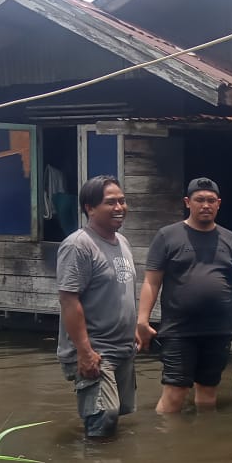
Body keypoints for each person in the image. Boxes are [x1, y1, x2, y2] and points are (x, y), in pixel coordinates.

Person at [136, 177, 232, 412]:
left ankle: (202, 439)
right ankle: (167, 445)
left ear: (218, 203)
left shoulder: (230, 239)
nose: (205, 205)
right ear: (188, 202)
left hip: (218, 330)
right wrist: (142, 320)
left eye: (211, 200)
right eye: (199, 200)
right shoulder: (168, 236)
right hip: (179, 330)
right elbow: (151, 281)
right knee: (174, 393)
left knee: (208, 393)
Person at [56, 175, 139, 439]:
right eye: (110, 202)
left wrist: (133, 327)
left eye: (122, 201)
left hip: (122, 345)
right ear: (89, 208)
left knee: (118, 415)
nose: (119, 208)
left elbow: (121, 290)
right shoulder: (79, 245)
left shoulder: (122, 242)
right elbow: (69, 300)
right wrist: (84, 351)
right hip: (96, 349)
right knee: (103, 417)